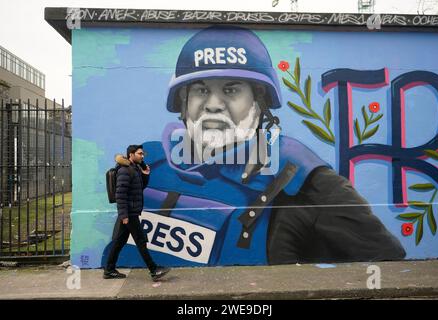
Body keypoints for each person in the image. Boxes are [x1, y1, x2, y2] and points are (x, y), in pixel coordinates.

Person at [104, 26, 405, 267]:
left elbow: (385, 260)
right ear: (182, 104)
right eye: (200, 89)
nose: (212, 104)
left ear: (260, 102)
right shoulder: (150, 163)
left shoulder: (300, 177)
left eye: (231, 89)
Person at [103, 144, 171, 280]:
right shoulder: (124, 170)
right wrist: (124, 215)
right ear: (131, 155)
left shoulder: (134, 169)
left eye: (142, 154)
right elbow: (120, 194)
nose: (142, 156)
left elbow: (140, 187)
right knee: (140, 241)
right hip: (129, 213)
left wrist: (145, 175)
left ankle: (109, 270)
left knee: (119, 241)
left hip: (131, 211)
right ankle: (154, 270)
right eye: (140, 154)